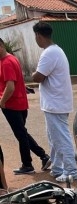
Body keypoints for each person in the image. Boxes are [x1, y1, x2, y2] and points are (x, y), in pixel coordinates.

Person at [31, 22, 77, 182]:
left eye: (35, 36)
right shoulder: (55, 51)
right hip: (55, 103)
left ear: (38, 35)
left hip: (55, 104)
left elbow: (38, 76)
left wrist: (33, 74)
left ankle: (72, 171)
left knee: (60, 138)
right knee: (53, 138)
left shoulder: (49, 53)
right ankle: (58, 167)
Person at [0, 37, 50, 175]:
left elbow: (10, 87)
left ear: (1, 46)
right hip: (20, 103)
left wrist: (2, 102)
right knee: (23, 133)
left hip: (12, 104)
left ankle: (27, 165)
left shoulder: (6, 63)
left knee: (21, 135)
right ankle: (43, 156)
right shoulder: (12, 58)